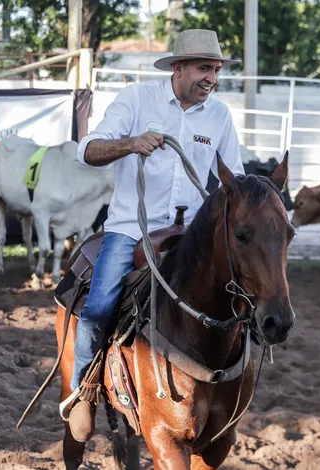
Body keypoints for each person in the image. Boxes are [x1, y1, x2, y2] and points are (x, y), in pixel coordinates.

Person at [68, 28, 246, 442]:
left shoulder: (219, 116)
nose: (212, 79)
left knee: (242, 303)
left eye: (216, 70)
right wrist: (130, 144)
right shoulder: (136, 100)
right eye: (205, 69)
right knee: (100, 306)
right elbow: (88, 149)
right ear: (178, 68)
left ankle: (228, 389)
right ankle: (84, 392)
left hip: (191, 237)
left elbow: (233, 179)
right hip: (133, 229)